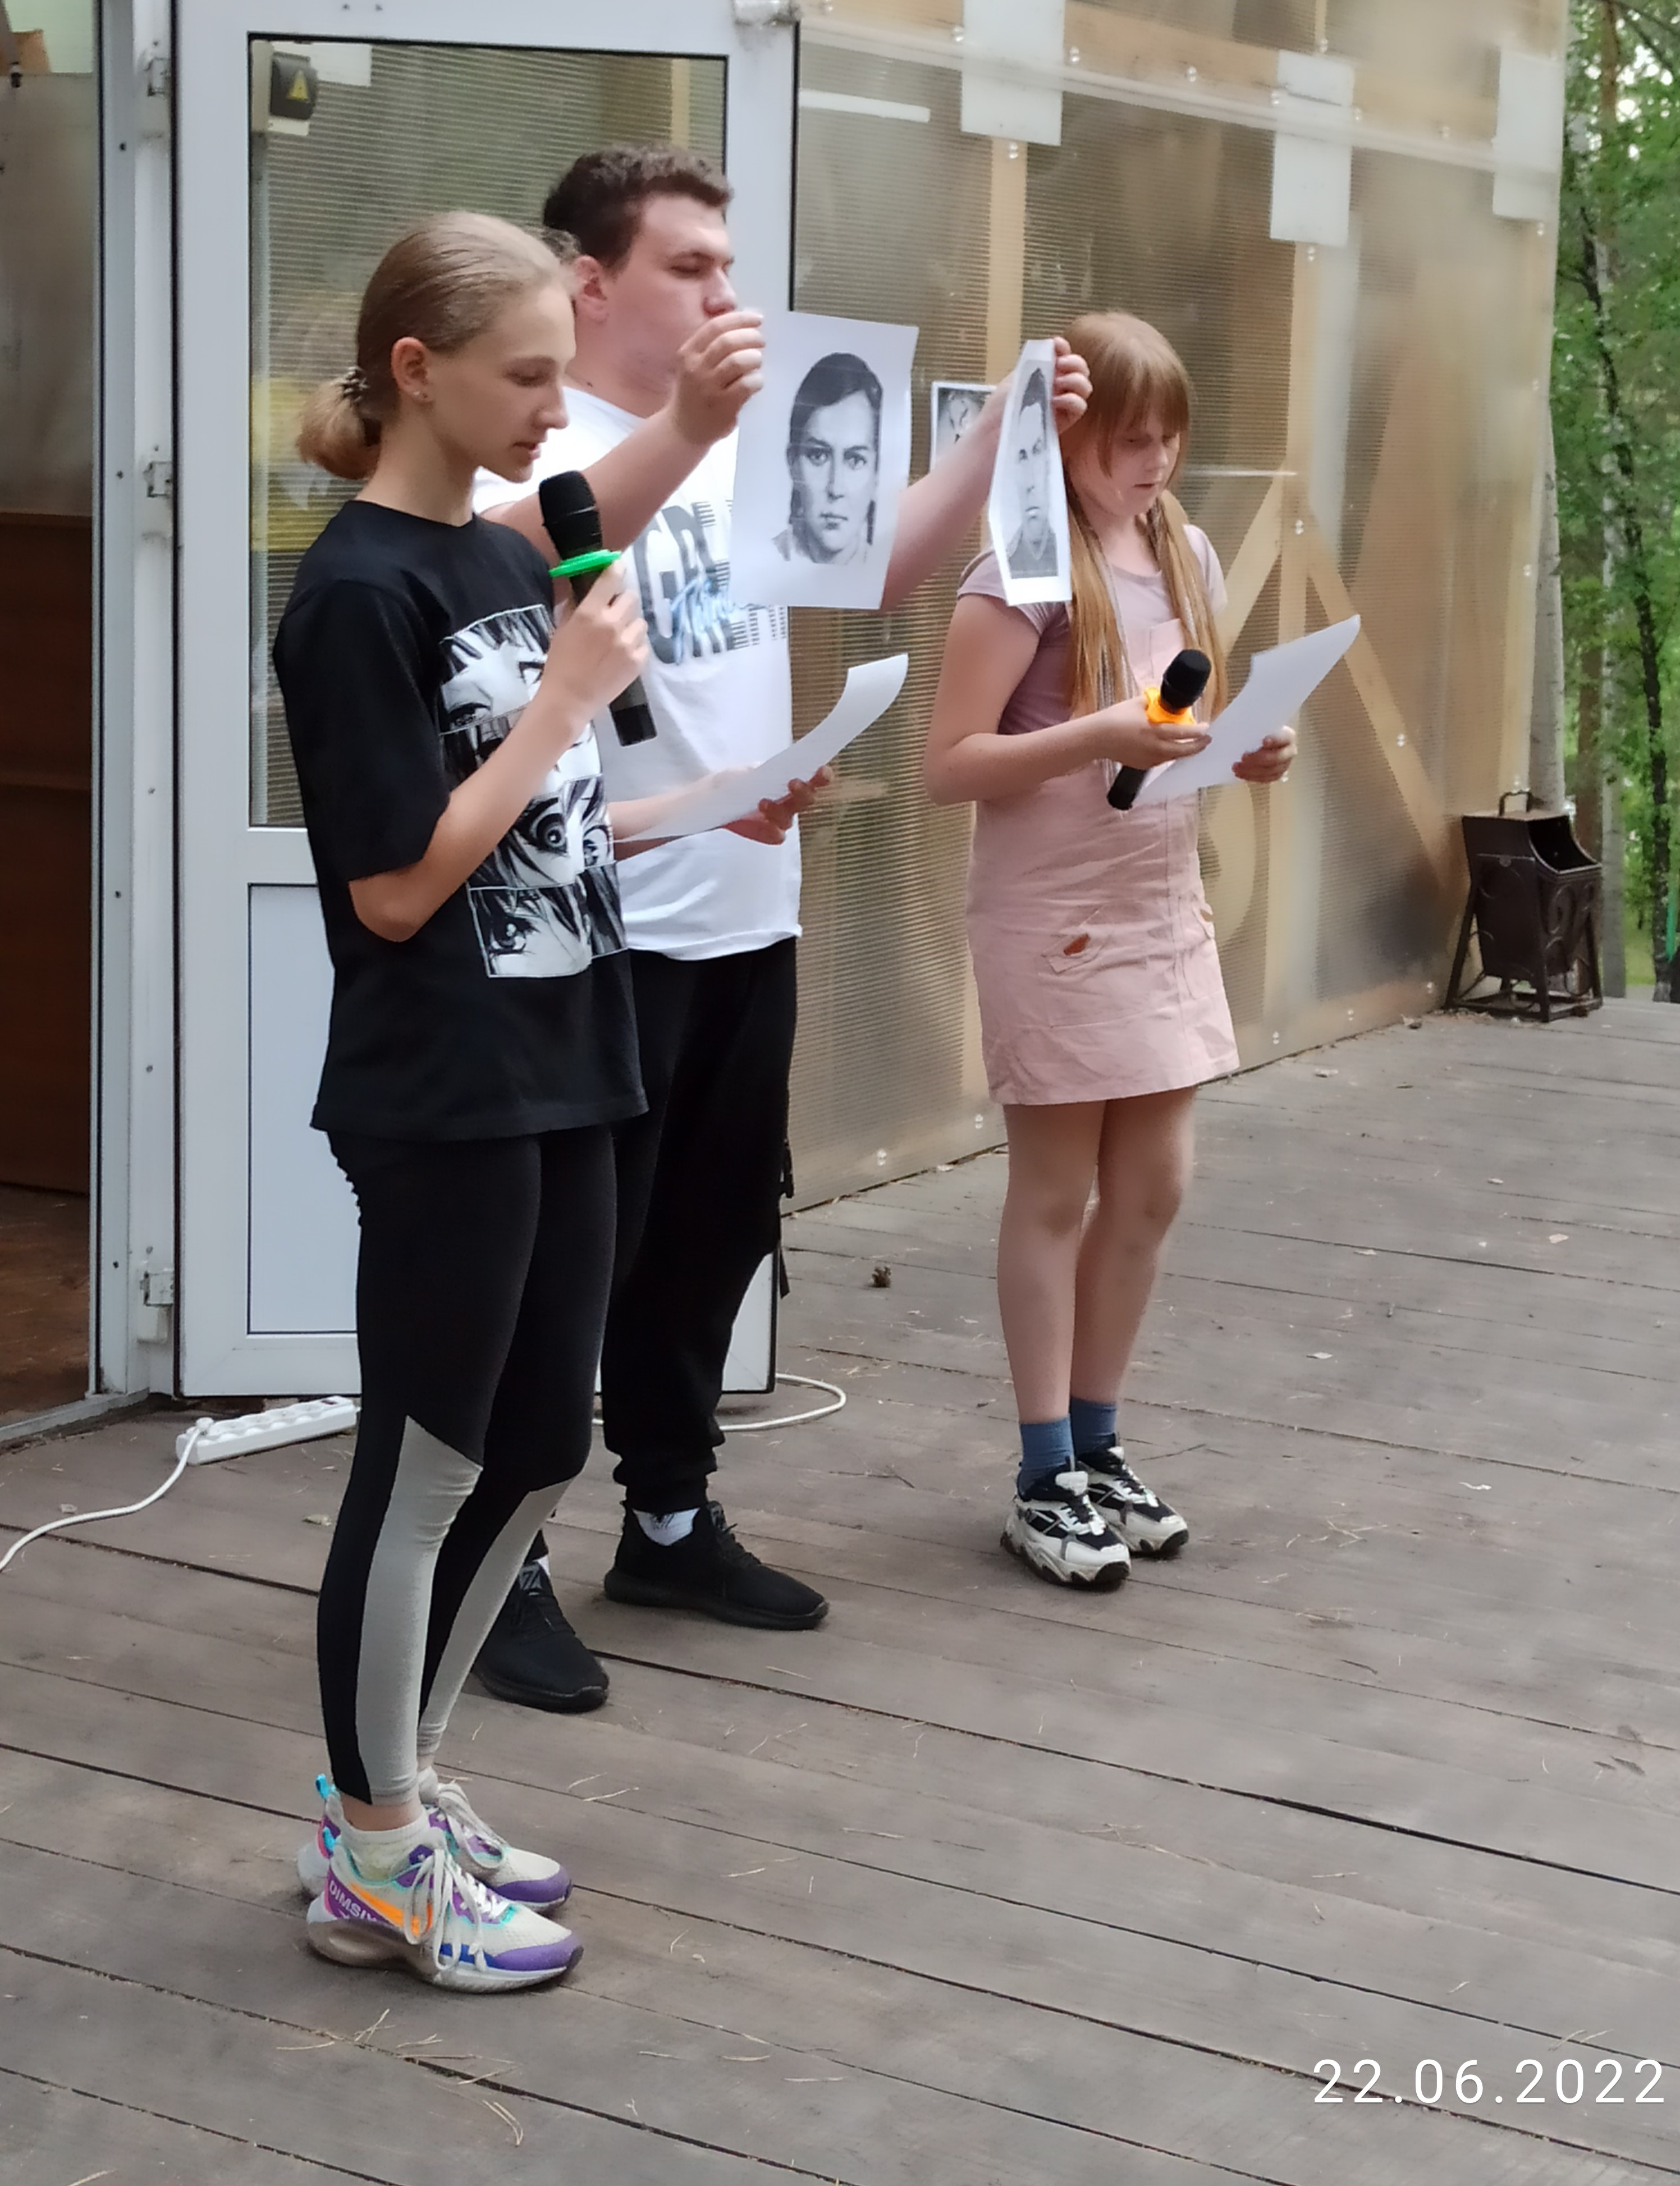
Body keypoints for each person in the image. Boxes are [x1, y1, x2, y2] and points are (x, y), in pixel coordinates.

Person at [470, 145, 1090, 1705]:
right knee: (562, 1265)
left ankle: (668, 1519)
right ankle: (497, 1562)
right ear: (591, 283)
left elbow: (876, 565)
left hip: (747, 911)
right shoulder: (538, 445)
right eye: (689, 267)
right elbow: (503, 561)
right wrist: (687, 425)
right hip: (598, 929)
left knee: (705, 1241)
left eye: (728, 266)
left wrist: (1001, 431)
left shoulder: (737, 443)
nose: (724, 295)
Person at [273, 214, 654, 1990]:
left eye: (562, 375)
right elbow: (396, 887)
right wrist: (563, 699)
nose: (554, 412)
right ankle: (371, 1853)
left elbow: (537, 824)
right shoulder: (358, 594)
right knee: (423, 1461)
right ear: (416, 371)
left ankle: (401, 1788)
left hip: (569, 1056)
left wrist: (697, 794)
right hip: (443, 1085)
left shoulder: (506, 558)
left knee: (542, 1445)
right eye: (527, 375)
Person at [923, 311, 1296, 1590]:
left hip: (1159, 905)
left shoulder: (1184, 547)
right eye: (1128, 440)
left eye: (1169, 438)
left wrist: (1248, 742)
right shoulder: (1019, 570)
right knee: (1055, 1189)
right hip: (1052, 916)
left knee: (1153, 1184)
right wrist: (1098, 736)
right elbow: (948, 764)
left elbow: (1185, 713)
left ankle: (1097, 1441)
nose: (1154, 462)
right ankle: (1042, 1470)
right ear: (1062, 437)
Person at [775, 350, 882, 566]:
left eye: (855, 460)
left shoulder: (895, 575)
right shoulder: (761, 560)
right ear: (793, 464)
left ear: (877, 474)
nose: (836, 488)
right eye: (818, 456)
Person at [1004, 364, 1060, 581]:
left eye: (1037, 451)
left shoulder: (1080, 558)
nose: (1030, 483)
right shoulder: (998, 570)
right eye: (1022, 456)